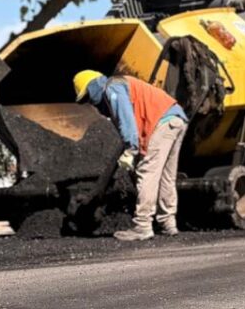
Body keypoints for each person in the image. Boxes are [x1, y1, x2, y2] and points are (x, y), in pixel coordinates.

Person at [73, 70, 189, 241]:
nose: (90, 102)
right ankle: (168, 223)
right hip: (176, 119)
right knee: (166, 175)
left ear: (93, 86)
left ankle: (143, 226)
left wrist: (131, 150)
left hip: (162, 122)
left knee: (147, 172)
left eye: (88, 96)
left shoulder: (112, 88)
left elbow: (127, 121)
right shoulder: (121, 84)